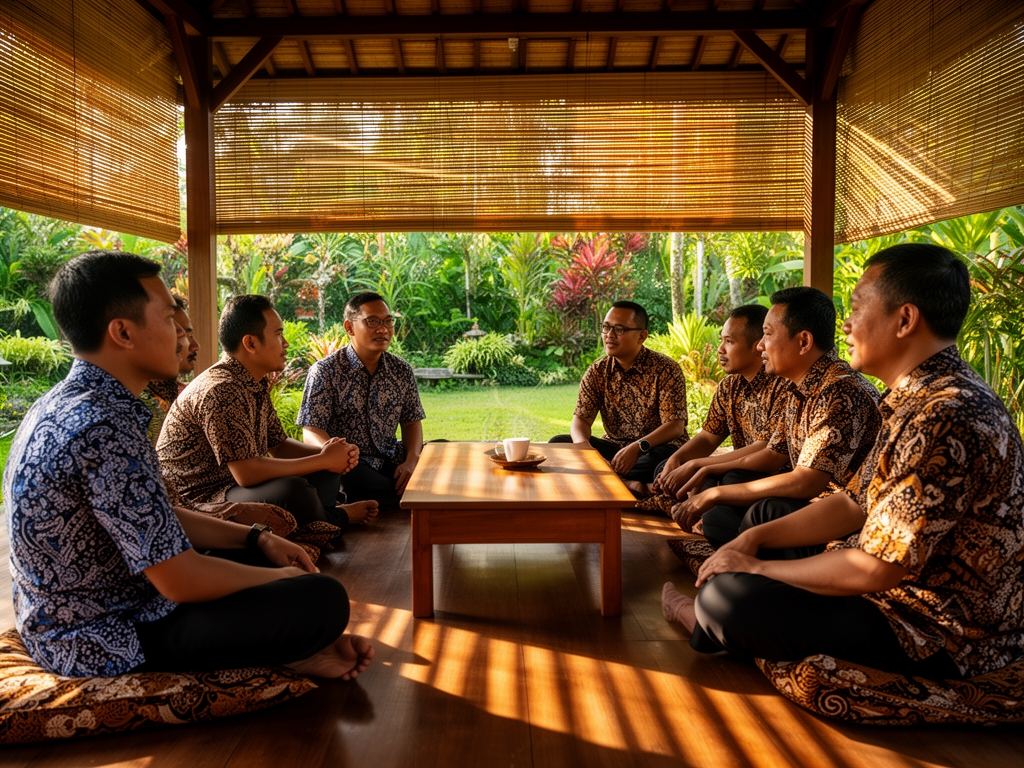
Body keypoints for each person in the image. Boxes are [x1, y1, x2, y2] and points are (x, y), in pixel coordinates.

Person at [2, 251, 373, 678]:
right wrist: (283, 581)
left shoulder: (72, 403)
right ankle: (291, 646)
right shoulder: (102, 426)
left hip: (94, 612)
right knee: (322, 596)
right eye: (170, 320)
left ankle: (291, 645)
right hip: (102, 635)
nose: (183, 334)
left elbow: (155, 517)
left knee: (270, 563)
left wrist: (258, 539)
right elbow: (180, 579)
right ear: (122, 332)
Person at [663, 243, 1024, 680]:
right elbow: (853, 503)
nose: (847, 325)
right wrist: (752, 541)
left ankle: (704, 621)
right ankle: (721, 616)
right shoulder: (916, 398)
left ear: (905, 319)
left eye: (856, 307)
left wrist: (757, 566)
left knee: (727, 600)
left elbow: (877, 567)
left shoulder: (944, 413)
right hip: (889, 588)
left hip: (936, 629)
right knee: (747, 546)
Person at [671, 287, 881, 552]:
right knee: (720, 513)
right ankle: (746, 558)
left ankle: (752, 565)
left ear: (804, 342)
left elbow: (807, 482)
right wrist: (706, 469)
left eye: (767, 335)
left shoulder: (838, 390)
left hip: (843, 515)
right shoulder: (799, 387)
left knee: (763, 511)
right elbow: (773, 452)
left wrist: (715, 492)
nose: (760, 345)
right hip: (812, 504)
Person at [158, 294, 377, 532]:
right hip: (202, 498)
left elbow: (279, 445)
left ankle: (319, 519)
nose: (286, 344)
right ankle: (332, 520)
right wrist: (323, 459)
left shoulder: (253, 381)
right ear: (250, 344)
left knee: (324, 472)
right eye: (278, 334)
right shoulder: (221, 389)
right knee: (293, 491)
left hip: (236, 486)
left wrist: (329, 454)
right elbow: (247, 473)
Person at [649, 304, 790, 504]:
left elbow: (765, 448)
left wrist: (699, 465)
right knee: (666, 467)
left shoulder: (782, 385)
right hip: (738, 467)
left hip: (772, 476)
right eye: (721, 340)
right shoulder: (729, 386)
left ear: (757, 346)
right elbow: (708, 437)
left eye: (729, 342)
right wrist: (678, 459)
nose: (720, 349)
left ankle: (701, 510)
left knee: (726, 480)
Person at [297, 291, 425, 510]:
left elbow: (412, 422)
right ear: (349, 327)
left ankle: (404, 495)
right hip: (352, 465)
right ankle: (414, 497)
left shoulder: (400, 370)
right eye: (372, 322)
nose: (383, 329)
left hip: (392, 461)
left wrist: (411, 461)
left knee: (441, 454)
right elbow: (311, 430)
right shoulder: (325, 371)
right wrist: (334, 455)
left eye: (387, 322)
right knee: (355, 479)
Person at [550, 301, 689, 491]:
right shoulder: (597, 371)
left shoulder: (665, 369)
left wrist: (637, 448)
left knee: (664, 468)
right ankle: (628, 485)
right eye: (606, 327)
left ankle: (603, 478)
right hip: (615, 449)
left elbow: (675, 427)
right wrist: (586, 451)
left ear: (642, 336)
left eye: (619, 329)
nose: (609, 335)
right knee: (559, 445)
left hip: (656, 449)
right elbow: (580, 420)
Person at [141, 290, 199, 444]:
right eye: (182, 335)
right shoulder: (135, 407)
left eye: (188, 335)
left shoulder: (183, 395)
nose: (194, 346)